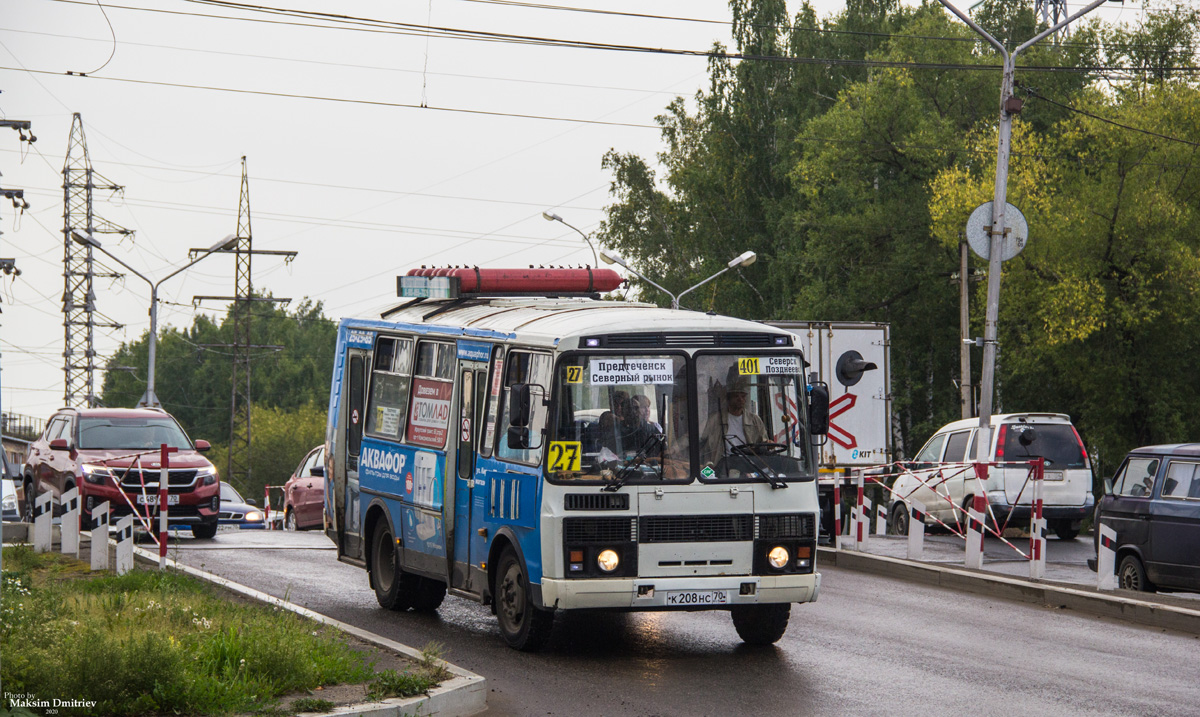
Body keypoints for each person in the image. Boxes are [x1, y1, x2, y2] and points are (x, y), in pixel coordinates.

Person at [701, 376, 768, 465]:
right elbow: (696, 436)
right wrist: (676, 448)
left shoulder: (755, 420)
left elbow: (763, 442)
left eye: (743, 396)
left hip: (749, 465)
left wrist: (768, 444)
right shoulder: (715, 419)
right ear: (728, 399)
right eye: (736, 396)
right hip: (721, 465)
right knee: (705, 475)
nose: (740, 399)